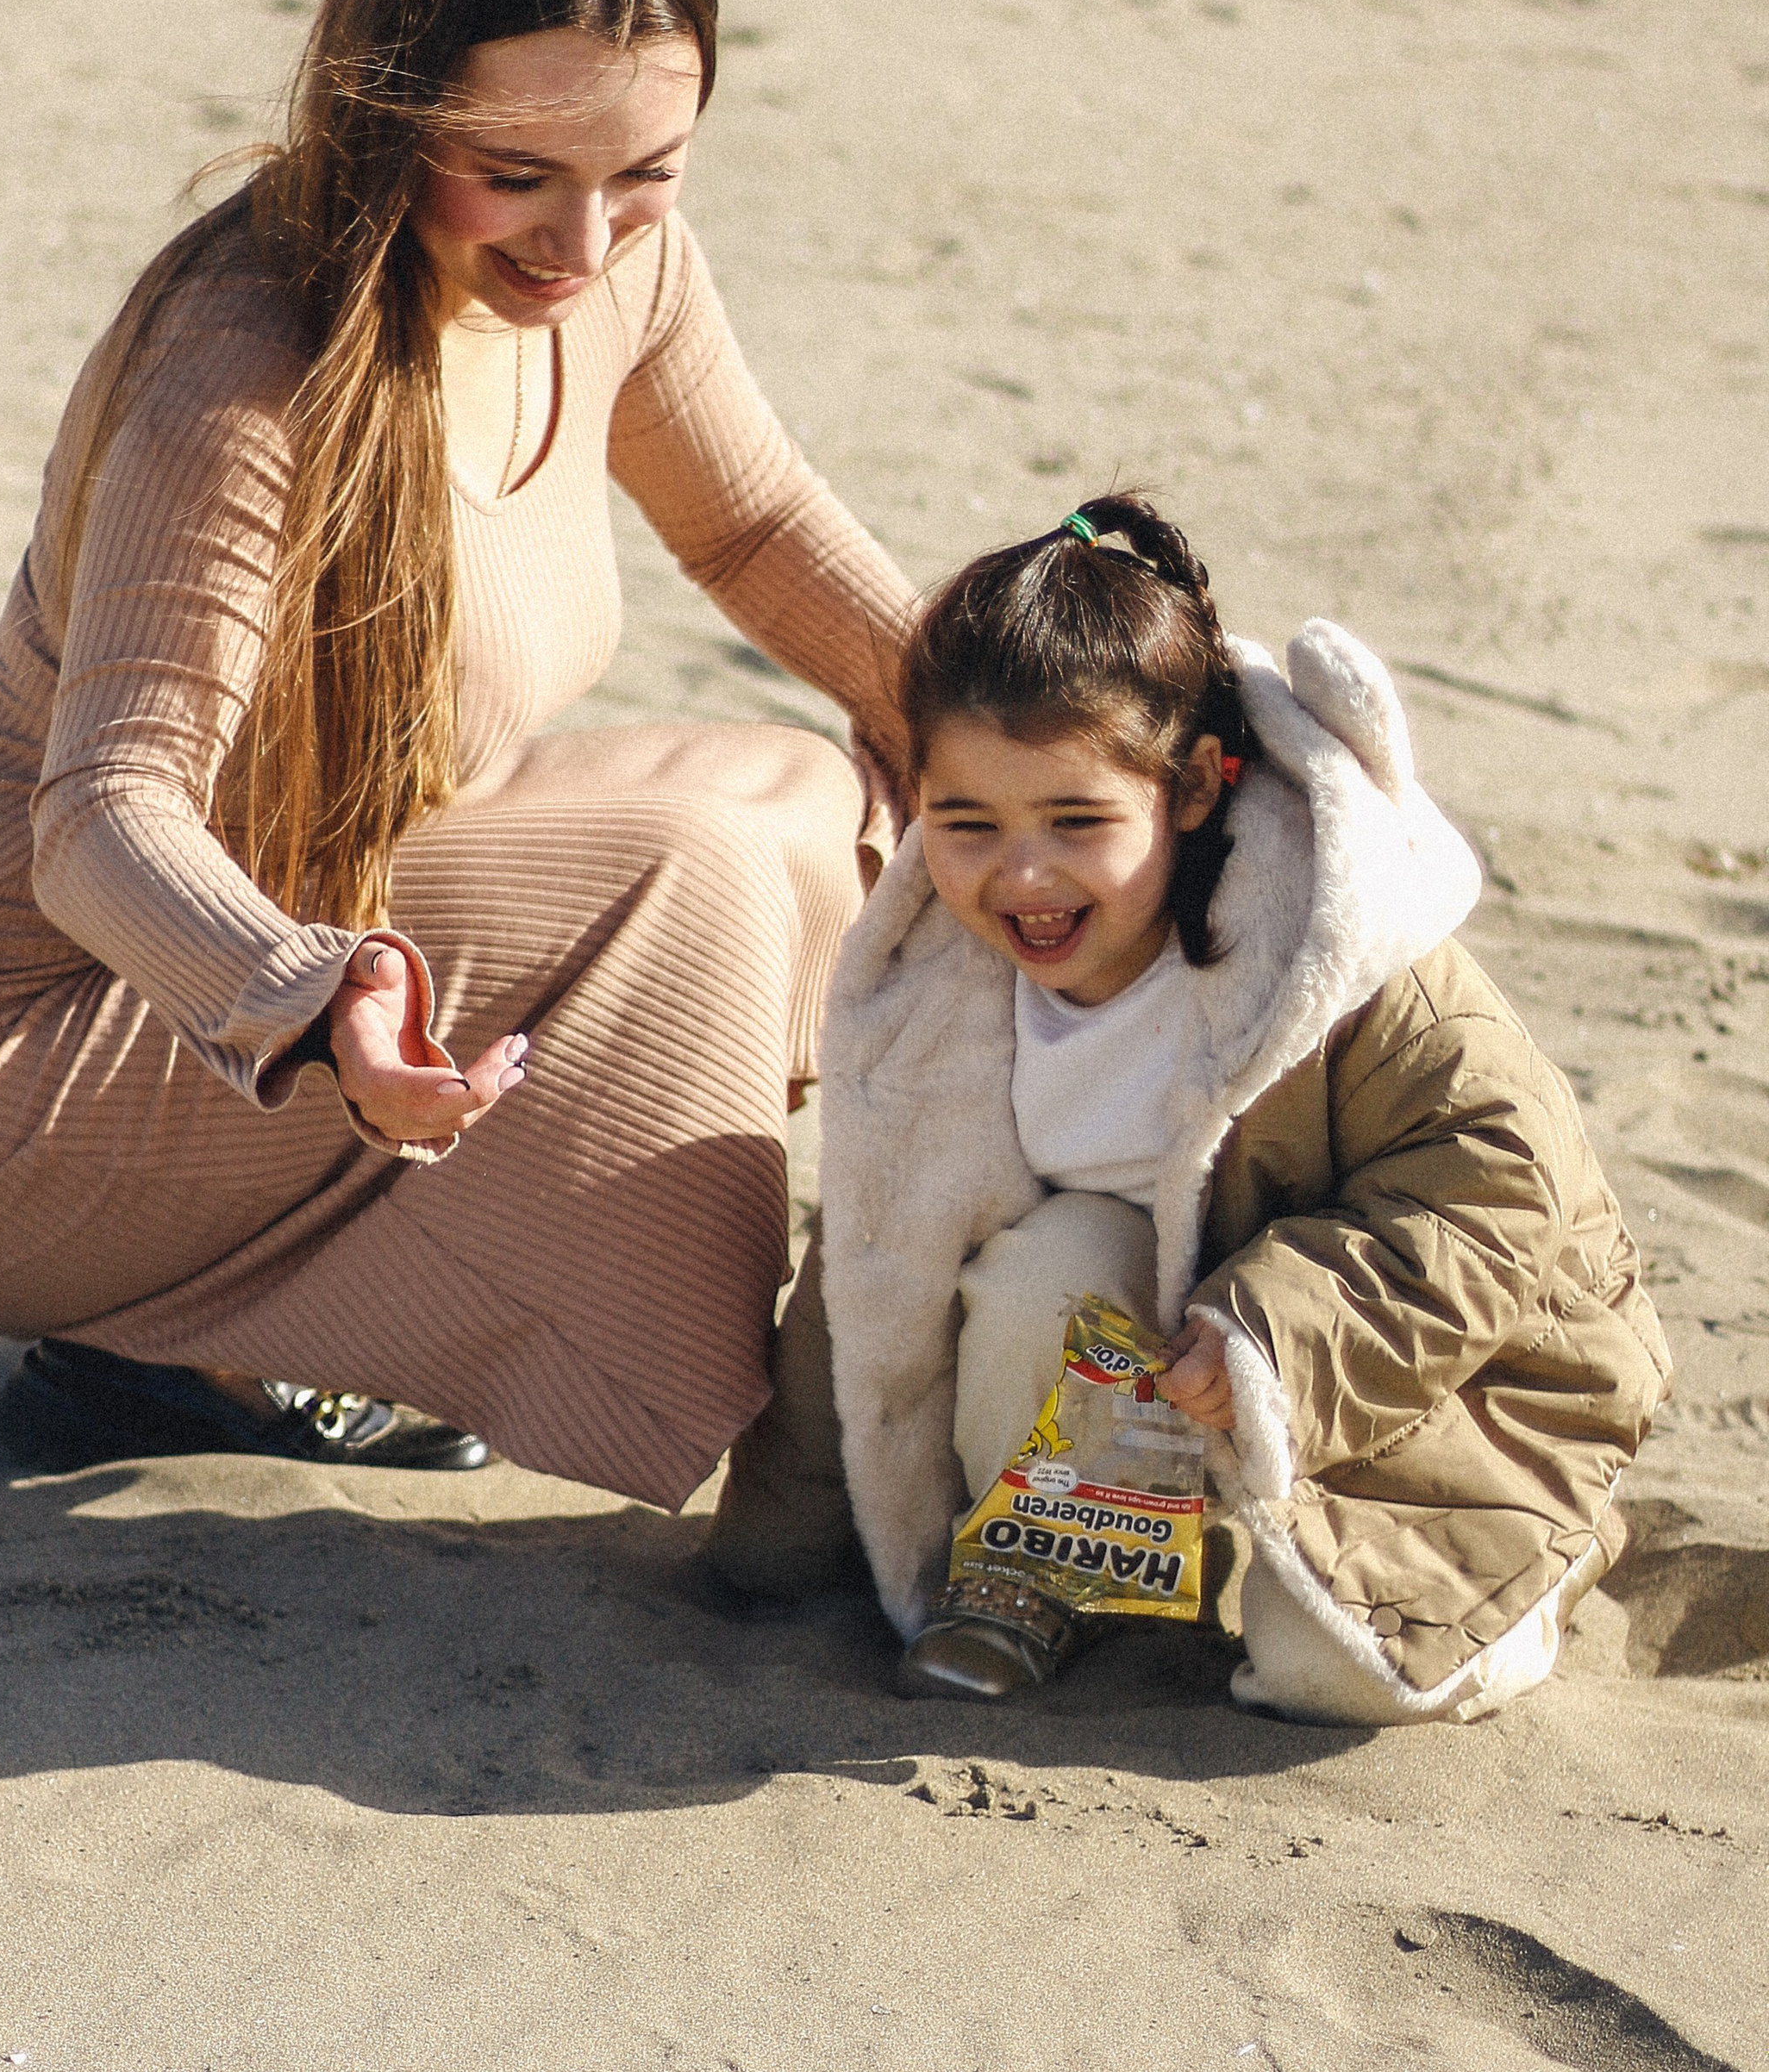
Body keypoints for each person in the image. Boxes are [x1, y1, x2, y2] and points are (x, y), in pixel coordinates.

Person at [0, 0, 915, 1506]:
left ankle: (231, 1335)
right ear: (385, 109)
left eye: (646, 175)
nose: (583, 242)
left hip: (268, 984)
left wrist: (1065, 738)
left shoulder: (622, 269)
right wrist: (316, 1001)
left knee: (812, 806)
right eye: (514, 176)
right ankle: (788, 1461)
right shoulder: (251, 366)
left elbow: (756, 528)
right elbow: (103, 814)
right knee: (688, 870)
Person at [710, 496, 1670, 1725]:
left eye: (1078, 822)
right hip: (1158, 1358)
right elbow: (880, 1249)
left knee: (1327, 1664)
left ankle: (1555, 1563)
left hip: (1441, 1371)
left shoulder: (1342, 958)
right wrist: (785, 1542)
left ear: (1197, 789)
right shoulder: (936, 982)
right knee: (1046, 1263)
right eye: (968, 824)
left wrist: (1269, 1338)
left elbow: (1492, 1194)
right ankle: (1050, 1570)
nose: (1023, 875)